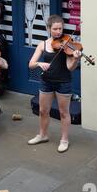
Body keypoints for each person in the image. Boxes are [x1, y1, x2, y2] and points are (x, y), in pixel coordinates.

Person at [27, 15, 82, 153]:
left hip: (63, 82)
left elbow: (70, 68)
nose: (58, 32)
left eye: (60, 28)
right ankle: (43, 135)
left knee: (64, 113)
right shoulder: (43, 44)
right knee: (43, 110)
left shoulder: (67, 45)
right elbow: (31, 64)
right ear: (48, 29)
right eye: (55, 29)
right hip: (46, 82)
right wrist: (40, 64)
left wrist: (75, 59)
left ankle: (64, 140)